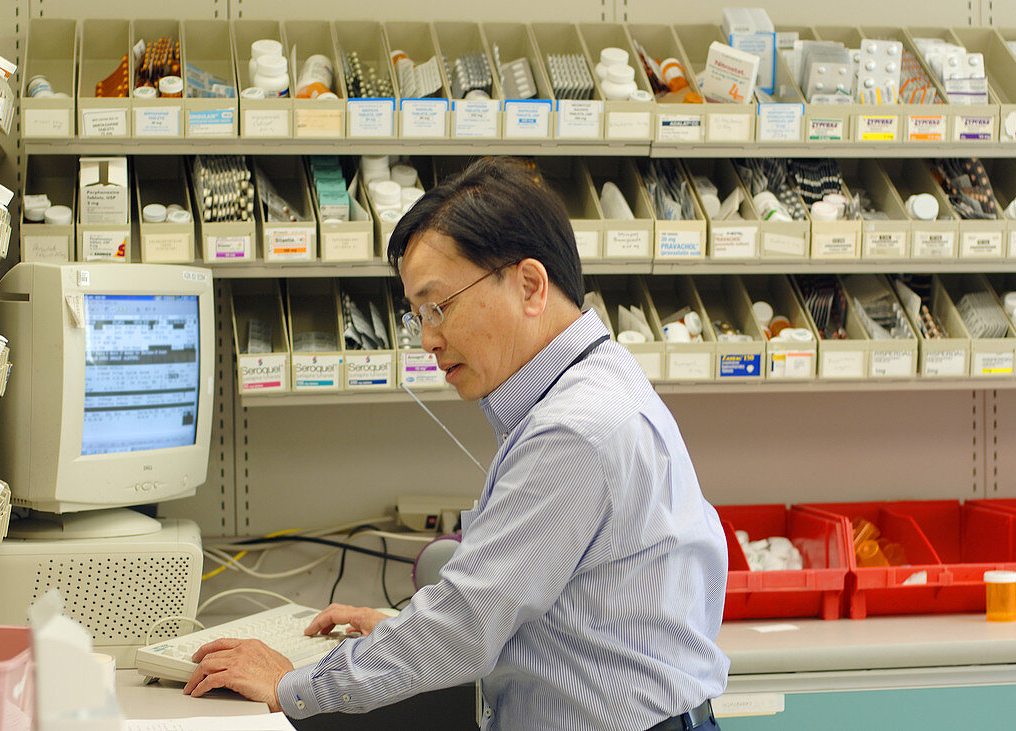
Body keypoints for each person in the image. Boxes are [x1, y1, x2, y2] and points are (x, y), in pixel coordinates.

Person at [184, 157, 730, 730]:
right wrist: (400, 633)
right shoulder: (596, 379)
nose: (428, 339)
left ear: (529, 285)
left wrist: (289, 685)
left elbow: (467, 626)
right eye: (418, 314)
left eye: (440, 306)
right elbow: (530, 612)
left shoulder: (573, 430)